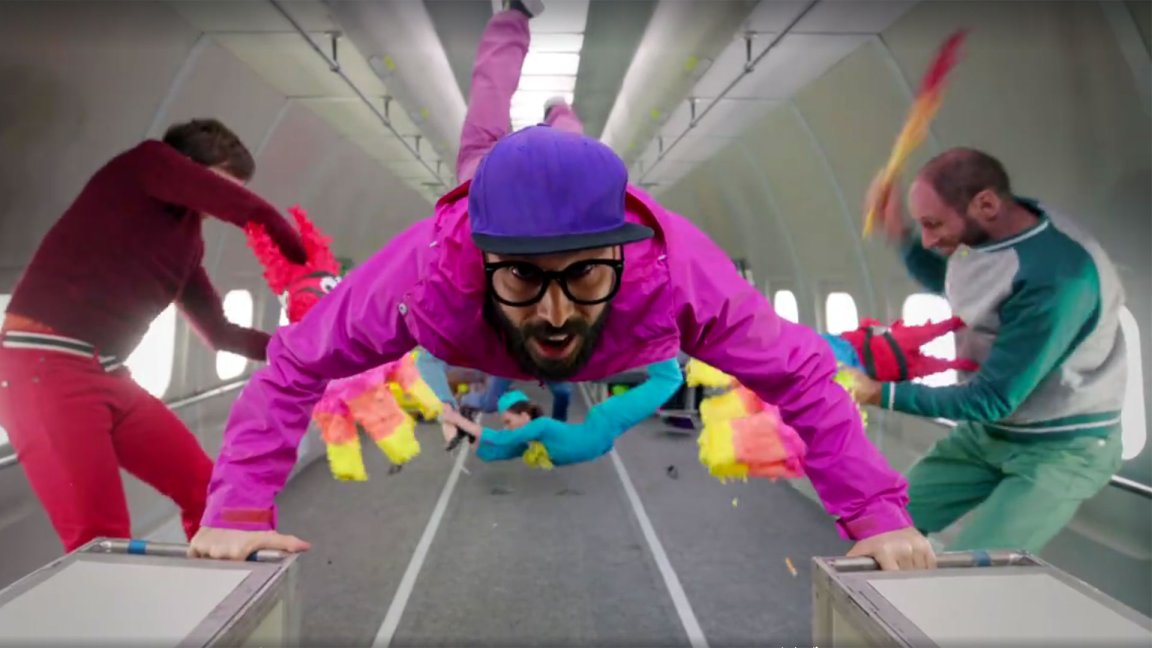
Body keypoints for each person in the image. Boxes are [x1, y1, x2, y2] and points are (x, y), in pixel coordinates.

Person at [188, 121, 933, 571]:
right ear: (481, 259)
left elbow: (804, 375)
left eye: (583, 275)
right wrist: (237, 510)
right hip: (473, 260)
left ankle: (561, 124)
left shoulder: (682, 277)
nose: (554, 314)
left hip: (614, 313)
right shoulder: (422, 275)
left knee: (560, 135)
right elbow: (295, 362)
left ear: (621, 256)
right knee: (483, 138)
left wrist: (878, 517)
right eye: (522, 276)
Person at [0, 118, 308, 552]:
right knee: (100, 538)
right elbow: (248, 211)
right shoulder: (144, 165)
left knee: (209, 493)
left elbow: (219, 333)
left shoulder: (189, 243)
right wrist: (295, 249)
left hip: (108, 372)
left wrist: (298, 349)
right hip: (41, 366)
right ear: (185, 167)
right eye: (219, 183)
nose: (218, 198)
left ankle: (215, 590)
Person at [849, 147, 1127, 553]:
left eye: (932, 224)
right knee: (880, 528)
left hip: (1060, 447)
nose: (928, 239)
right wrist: (899, 233)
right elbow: (961, 285)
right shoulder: (995, 231)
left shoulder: (1059, 277)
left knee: (973, 569)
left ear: (987, 204)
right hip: (990, 433)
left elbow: (991, 398)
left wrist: (877, 392)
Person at [414, 0, 575, 425]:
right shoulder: (460, 299)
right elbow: (427, 358)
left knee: (571, 153)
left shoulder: (547, 301)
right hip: (479, 190)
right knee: (490, 98)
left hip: (500, 197)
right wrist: (447, 409)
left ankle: (558, 111)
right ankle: (515, 18)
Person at [442, 359, 683, 467]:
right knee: (666, 380)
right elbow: (493, 452)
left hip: (607, 420)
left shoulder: (541, 426)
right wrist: (460, 433)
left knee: (668, 379)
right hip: (604, 431)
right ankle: (652, 334)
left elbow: (499, 438)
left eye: (508, 421)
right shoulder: (532, 443)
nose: (507, 426)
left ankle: (653, 328)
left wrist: (455, 418)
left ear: (524, 415)